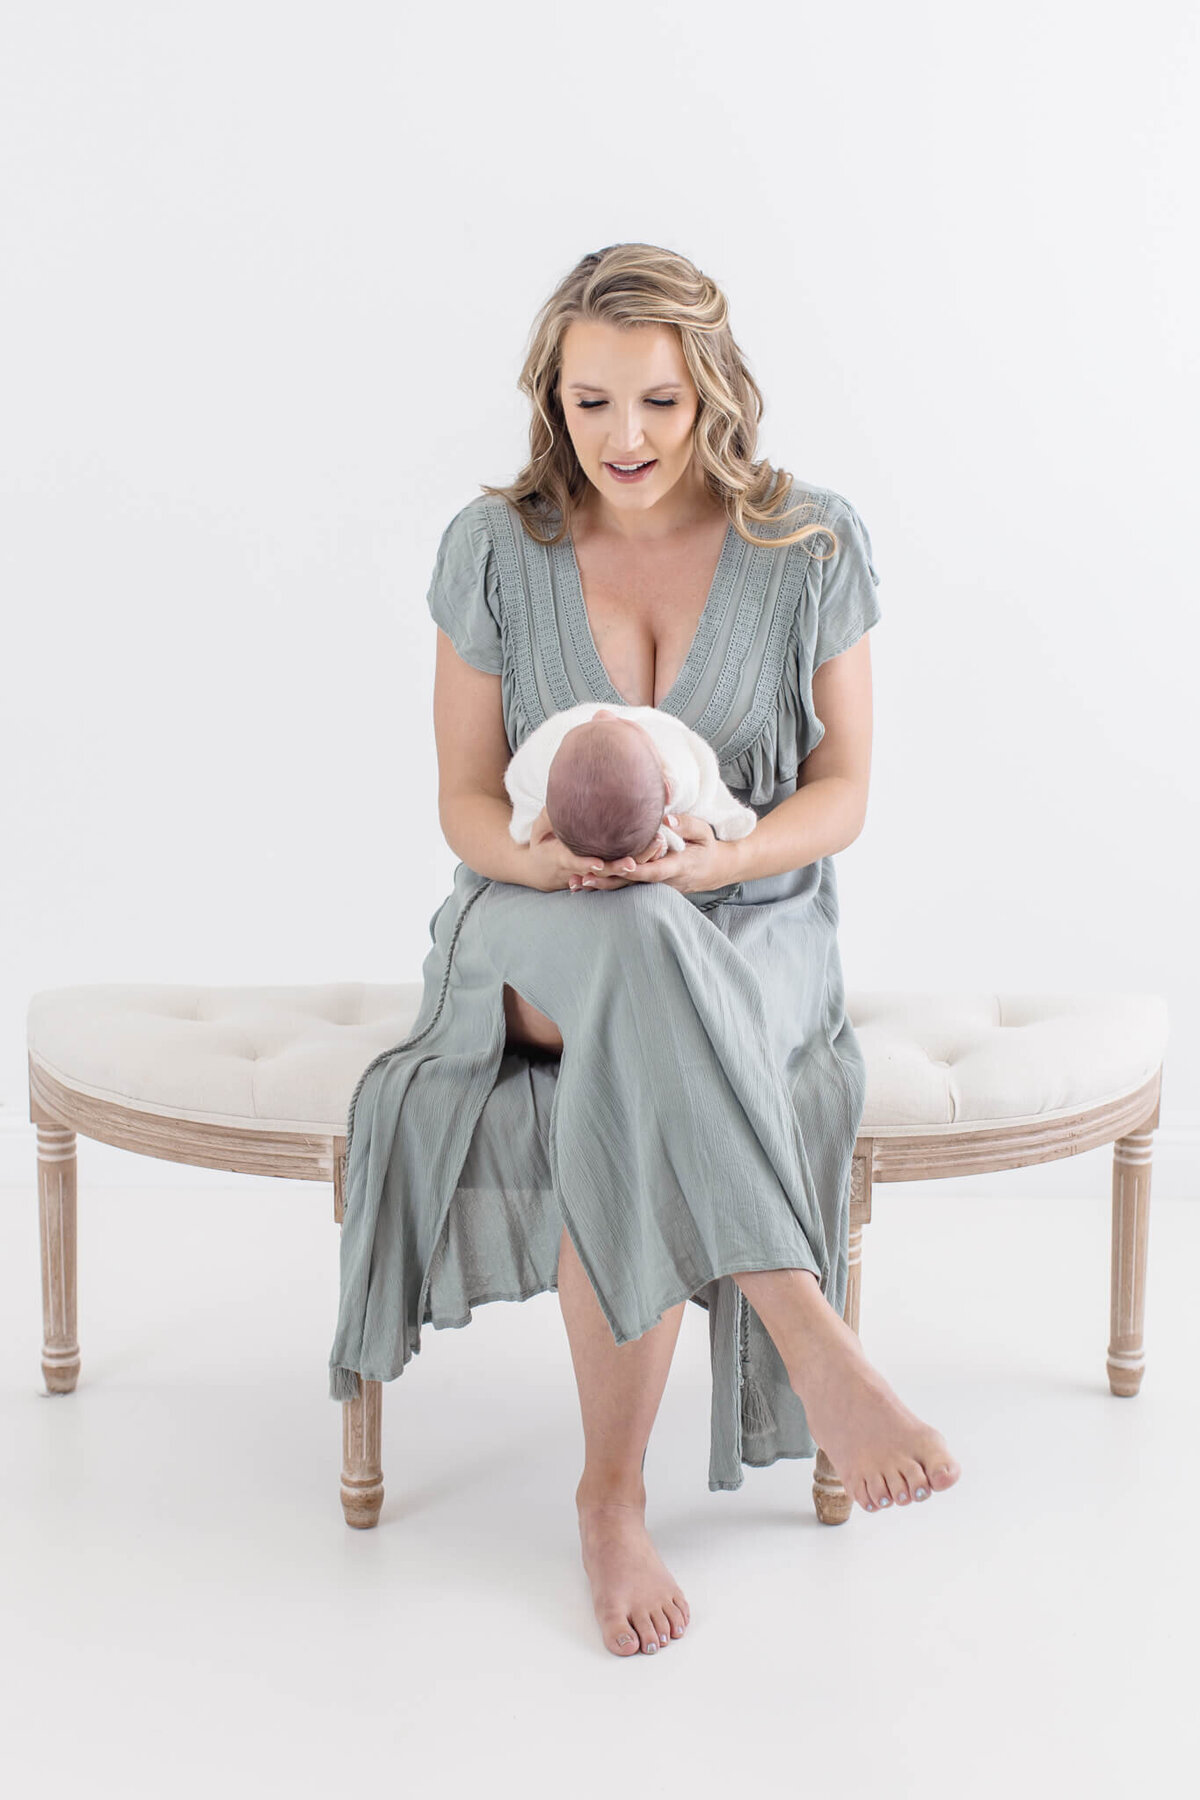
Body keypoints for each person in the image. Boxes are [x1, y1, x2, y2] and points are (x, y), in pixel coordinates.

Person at [328, 241, 962, 1662]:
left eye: (661, 405)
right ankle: (808, 1331)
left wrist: (716, 859)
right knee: (623, 946)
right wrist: (547, 857)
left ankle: (609, 1496)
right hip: (533, 912)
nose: (623, 439)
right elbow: (463, 802)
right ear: (551, 397)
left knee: (648, 1004)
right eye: (592, 402)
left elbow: (844, 790)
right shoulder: (492, 549)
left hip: (752, 919)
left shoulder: (813, 543)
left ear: (713, 395)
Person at [503, 701, 759, 862]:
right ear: (668, 791)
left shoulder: (542, 757)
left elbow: (521, 782)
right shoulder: (677, 769)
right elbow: (701, 779)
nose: (602, 713)